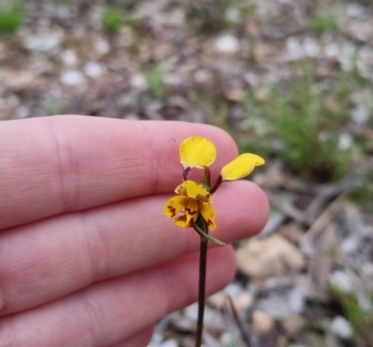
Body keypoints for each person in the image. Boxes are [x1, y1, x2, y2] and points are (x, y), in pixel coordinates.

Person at [0, 116, 269, 347]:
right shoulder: (188, 193)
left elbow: (200, 210)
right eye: (185, 192)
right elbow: (186, 205)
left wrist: (201, 204)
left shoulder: (202, 201)